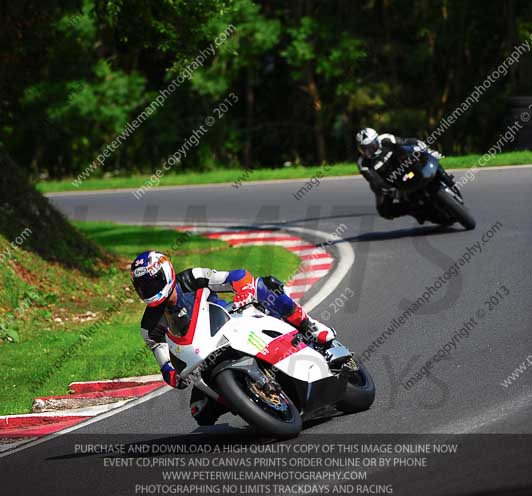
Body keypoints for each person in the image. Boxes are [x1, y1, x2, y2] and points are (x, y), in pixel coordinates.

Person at [131, 250, 335, 426]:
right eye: (144, 287)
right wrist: (173, 375)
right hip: (202, 354)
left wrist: (243, 290)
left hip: (229, 320)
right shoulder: (149, 326)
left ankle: (309, 325)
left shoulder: (191, 277)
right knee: (199, 411)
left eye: (154, 283)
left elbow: (235, 276)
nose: (150, 290)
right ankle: (252, 403)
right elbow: (164, 362)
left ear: (167, 273)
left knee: (264, 286)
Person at [356, 127, 439, 221]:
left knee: (422, 154)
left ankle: (438, 173)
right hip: (391, 184)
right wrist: (388, 189)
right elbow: (374, 180)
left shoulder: (386, 139)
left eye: (370, 147)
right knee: (383, 210)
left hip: (407, 167)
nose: (367, 152)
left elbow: (406, 142)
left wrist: (421, 146)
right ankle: (414, 210)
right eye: (363, 149)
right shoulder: (363, 163)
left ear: (376, 141)